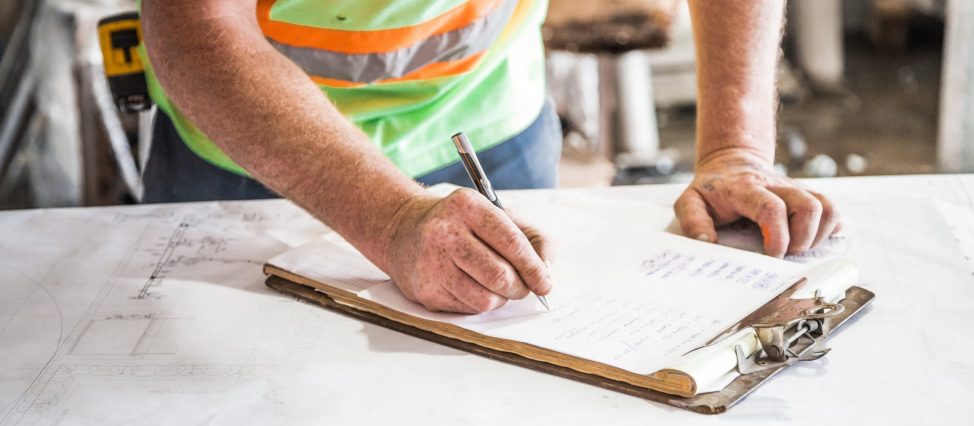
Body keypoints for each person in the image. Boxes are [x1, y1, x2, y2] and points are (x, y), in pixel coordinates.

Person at [140, 0, 841, 314]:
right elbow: (193, 25)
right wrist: (386, 216)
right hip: (255, 161)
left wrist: (734, 149)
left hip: (490, 130)